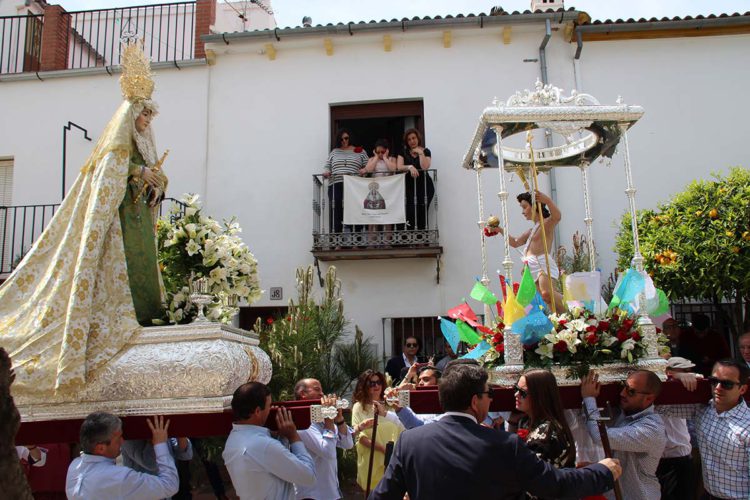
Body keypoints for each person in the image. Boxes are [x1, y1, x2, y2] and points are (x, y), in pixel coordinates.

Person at [0, 41, 169, 397]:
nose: (146, 121)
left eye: (150, 117)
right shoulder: (116, 144)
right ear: (132, 112)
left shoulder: (144, 144)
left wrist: (156, 183)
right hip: (118, 228)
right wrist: (138, 173)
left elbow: (150, 183)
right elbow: (111, 175)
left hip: (138, 225)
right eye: (143, 114)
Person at [370, 363, 621, 499]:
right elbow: (553, 484)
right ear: (475, 401)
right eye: (489, 394)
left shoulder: (410, 441)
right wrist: (602, 471)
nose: (492, 401)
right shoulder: (505, 445)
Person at [662, 359, 750, 500]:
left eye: (727, 384)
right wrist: (676, 376)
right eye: (714, 381)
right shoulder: (702, 410)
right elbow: (660, 407)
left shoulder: (748, 426)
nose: (718, 388)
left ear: (742, 389)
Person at [580, 370, 666, 500]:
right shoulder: (623, 413)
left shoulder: (651, 429)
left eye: (631, 391)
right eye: (624, 387)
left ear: (649, 398)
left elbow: (600, 436)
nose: (622, 393)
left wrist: (589, 398)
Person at [222, 382, 315, 500]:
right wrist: (293, 437)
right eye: (269, 406)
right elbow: (308, 476)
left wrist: (281, 437)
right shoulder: (263, 445)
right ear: (257, 411)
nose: (271, 410)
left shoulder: (233, 439)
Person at [293, 377, 374, 500]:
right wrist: (329, 421)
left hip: (330, 493)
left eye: (321, 390)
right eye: (316, 389)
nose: (322, 393)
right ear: (303, 394)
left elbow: (347, 444)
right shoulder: (301, 424)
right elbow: (329, 452)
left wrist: (339, 419)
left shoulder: (321, 421)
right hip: (312, 495)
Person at [65, 412, 178, 499]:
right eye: (118, 438)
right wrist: (160, 444)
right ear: (100, 448)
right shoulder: (117, 477)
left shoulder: (74, 466)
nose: (122, 441)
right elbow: (169, 485)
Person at [485, 191, 564, 312]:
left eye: (525, 207)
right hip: (531, 267)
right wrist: (499, 230)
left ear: (535, 206)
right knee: (548, 300)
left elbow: (557, 216)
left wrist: (547, 200)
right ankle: (562, 321)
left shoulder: (546, 223)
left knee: (547, 293)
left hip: (542, 263)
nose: (523, 212)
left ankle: (576, 307)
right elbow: (515, 242)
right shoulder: (531, 230)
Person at [511, 369, 576, 473]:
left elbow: (530, 472)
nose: (516, 395)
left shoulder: (547, 432)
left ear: (539, 396)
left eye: (522, 393)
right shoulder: (525, 421)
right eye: (516, 389)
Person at [352, 369, 403, 492]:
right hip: (371, 458)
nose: (376, 386)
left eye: (379, 382)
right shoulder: (359, 407)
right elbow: (359, 436)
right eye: (371, 383)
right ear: (364, 386)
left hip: (394, 456)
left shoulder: (391, 404)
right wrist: (383, 450)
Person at [656, 357, 697, 500]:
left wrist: (681, 376)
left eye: (689, 370)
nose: (688, 374)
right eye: (684, 370)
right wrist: (676, 376)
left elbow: (699, 378)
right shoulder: (654, 388)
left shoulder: (687, 387)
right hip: (658, 459)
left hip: (681, 457)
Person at [323, 129, 369, 235]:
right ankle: (338, 242)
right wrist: (326, 171)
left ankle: (356, 242)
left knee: (355, 211)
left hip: (353, 184)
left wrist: (364, 171)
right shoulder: (334, 152)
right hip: (336, 183)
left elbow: (368, 165)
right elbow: (327, 166)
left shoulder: (359, 150)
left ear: (350, 138)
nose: (344, 141)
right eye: (341, 138)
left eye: (346, 138)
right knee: (336, 211)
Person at [120, 436, 192, 499]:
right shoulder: (129, 438)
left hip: (165, 494)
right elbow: (151, 463)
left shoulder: (161, 428)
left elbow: (185, 455)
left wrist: (181, 435)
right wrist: (155, 438)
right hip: (142, 495)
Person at [397, 128, 434, 232]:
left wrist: (421, 153)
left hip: (424, 186)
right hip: (409, 187)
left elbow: (425, 167)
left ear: (418, 138)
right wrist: (410, 167)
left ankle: (422, 240)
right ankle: (409, 239)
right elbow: (399, 166)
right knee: (410, 211)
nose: (412, 141)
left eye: (413, 138)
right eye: (409, 139)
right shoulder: (403, 152)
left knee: (422, 212)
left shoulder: (426, 151)